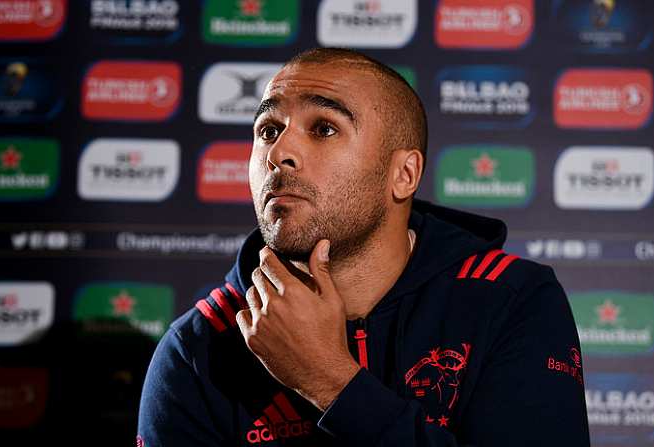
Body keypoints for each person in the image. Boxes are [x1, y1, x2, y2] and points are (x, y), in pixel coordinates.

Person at [137, 48, 590, 446]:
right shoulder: (198, 347)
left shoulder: (511, 300)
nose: (279, 153)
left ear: (404, 175)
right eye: (269, 129)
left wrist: (330, 381)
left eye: (325, 129)